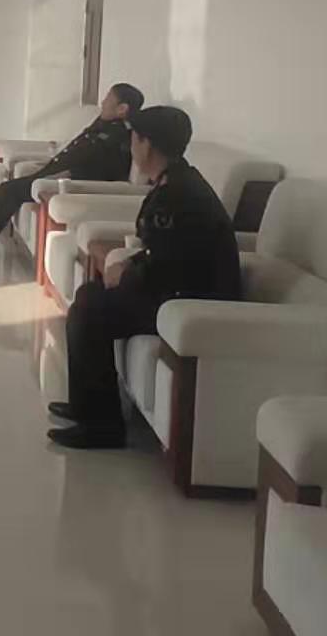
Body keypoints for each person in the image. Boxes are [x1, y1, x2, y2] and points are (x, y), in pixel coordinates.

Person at [48, 105, 241, 449]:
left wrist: (127, 275)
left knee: (91, 311)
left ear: (147, 144)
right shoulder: (176, 180)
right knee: (90, 296)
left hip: (191, 301)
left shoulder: (177, 193)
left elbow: (168, 265)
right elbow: (165, 251)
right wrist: (129, 267)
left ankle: (102, 427)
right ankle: (86, 407)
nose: (130, 146)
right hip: (178, 287)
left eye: (134, 138)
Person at [0, 82, 144, 258]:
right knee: (10, 189)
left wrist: (64, 175)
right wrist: (49, 164)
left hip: (71, 183)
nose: (103, 102)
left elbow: (103, 169)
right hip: (59, 173)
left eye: (108, 99)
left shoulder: (119, 135)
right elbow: (78, 148)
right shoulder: (106, 125)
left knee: (9, 190)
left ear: (122, 109)